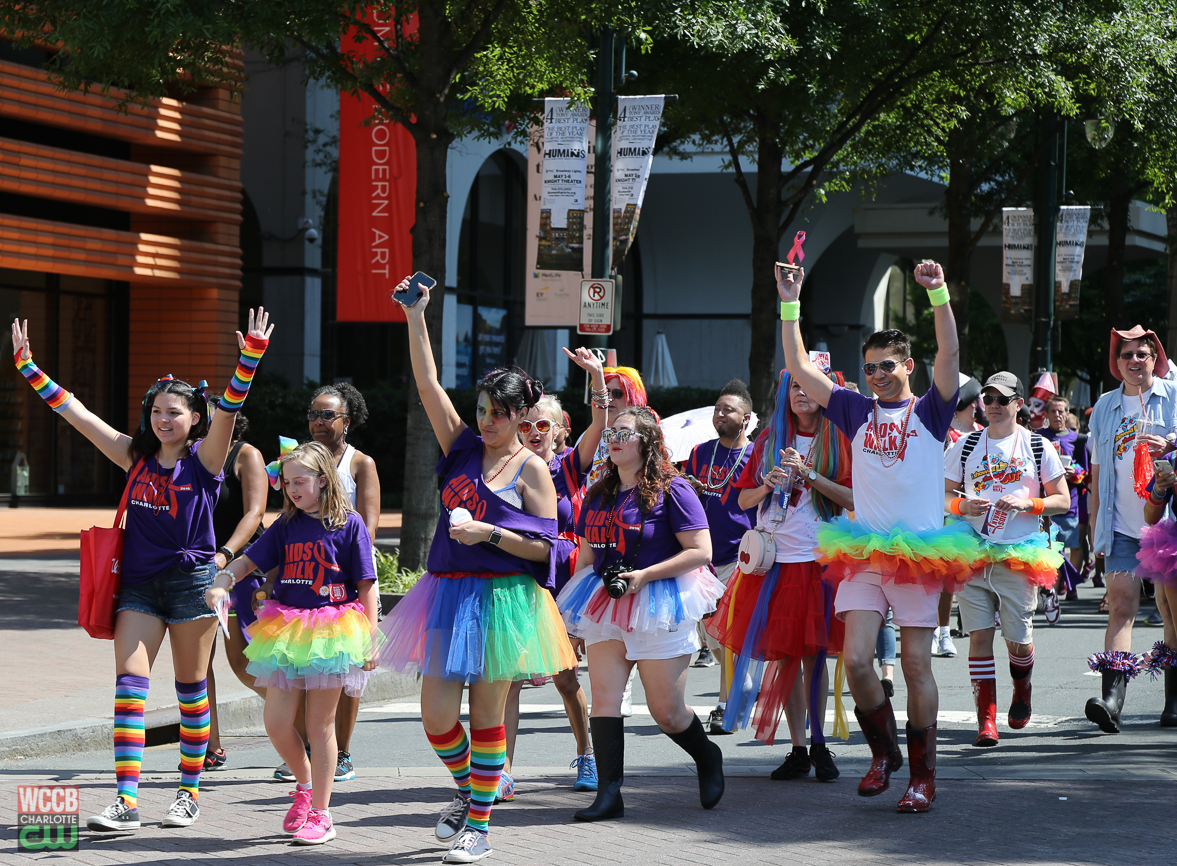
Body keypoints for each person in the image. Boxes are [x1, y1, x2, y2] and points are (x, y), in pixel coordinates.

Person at [12, 309, 274, 831]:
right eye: (156, 411)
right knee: (130, 686)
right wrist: (28, 368)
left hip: (194, 586)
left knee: (190, 691)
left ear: (193, 418)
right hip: (137, 587)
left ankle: (188, 792)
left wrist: (249, 355)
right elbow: (78, 415)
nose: (163, 419)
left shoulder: (206, 461)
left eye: (174, 412)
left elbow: (230, 406)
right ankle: (126, 800)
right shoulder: (134, 456)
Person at [377, 277, 575, 864]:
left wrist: (489, 532)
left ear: (519, 417)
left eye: (496, 414)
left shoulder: (534, 471)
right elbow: (427, 384)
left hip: (505, 599)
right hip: (446, 593)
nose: (484, 421)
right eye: (482, 411)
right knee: (437, 717)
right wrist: (417, 318)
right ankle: (470, 792)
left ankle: (480, 827)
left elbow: (549, 550)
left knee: (487, 714)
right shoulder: (460, 447)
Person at [778, 261, 975, 813]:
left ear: (907, 366)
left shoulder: (931, 411)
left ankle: (923, 776)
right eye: (868, 367)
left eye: (886, 365)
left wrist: (938, 292)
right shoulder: (852, 409)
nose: (877, 375)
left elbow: (951, 357)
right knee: (859, 661)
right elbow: (796, 363)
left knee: (915, 665)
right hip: (862, 550)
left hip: (917, 555)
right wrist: (790, 300)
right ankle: (884, 753)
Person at [205, 441, 379, 845]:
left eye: (300, 482)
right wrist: (224, 580)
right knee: (277, 722)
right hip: (287, 628)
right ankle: (304, 786)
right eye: (287, 483)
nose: (293, 490)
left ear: (323, 480)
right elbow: (250, 559)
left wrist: (370, 640)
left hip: (333, 631)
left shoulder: (349, 524)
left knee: (319, 726)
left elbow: (367, 586)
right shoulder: (285, 524)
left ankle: (322, 813)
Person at [557, 406, 726, 822]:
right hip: (603, 604)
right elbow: (586, 558)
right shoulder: (597, 492)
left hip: (661, 601)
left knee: (666, 711)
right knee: (605, 700)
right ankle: (609, 794)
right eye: (611, 432)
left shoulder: (675, 489)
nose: (614, 438)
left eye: (624, 433)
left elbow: (701, 552)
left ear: (648, 442)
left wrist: (644, 575)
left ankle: (707, 756)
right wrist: (572, 621)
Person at [708, 365, 852, 782]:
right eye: (793, 388)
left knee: (814, 659)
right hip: (772, 564)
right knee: (786, 657)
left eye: (809, 388)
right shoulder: (770, 440)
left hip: (817, 562)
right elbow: (742, 500)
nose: (801, 395)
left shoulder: (839, 439)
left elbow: (851, 496)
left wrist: (807, 474)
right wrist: (769, 484)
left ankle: (822, 744)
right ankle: (799, 748)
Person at [499, 350, 608, 800]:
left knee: (566, 677)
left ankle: (586, 752)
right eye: (526, 425)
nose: (534, 433)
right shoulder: (506, 468)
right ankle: (501, 768)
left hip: (563, 578)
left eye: (544, 425)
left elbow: (600, 424)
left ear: (561, 429)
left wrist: (598, 377)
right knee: (506, 677)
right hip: (516, 576)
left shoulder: (568, 467)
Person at [944, 372, 1069, 747]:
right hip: (972, 550)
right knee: (979, 634)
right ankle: (986, 721)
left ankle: (1022, 687)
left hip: (1020, 553)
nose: (994, 405)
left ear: (1018, 404)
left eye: (1002, 399)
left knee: (1018, 640)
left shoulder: (1037, 446)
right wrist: (961, 504)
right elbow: (941, 496)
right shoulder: (964, 447)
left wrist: (1027, 503)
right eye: (988, 398)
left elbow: (1061, 500)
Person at [1086, 326, 1177, 733]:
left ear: (1155, 357)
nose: (1135, 361)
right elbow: (1097, 471)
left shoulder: (1172, 396)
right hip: (1120, 525)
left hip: (1168, 524)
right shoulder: (1105, 406)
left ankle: (1173, 700)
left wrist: (1171, 444)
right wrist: (1094, 526)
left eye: (1143, 354)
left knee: (1172, 615)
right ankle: (1112, 701)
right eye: (1127, 355)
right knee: (1121, 607)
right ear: (1116, 362)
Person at [296, 383, 382, 784]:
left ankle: (341, 752)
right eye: (314, 413)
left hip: (349, 580)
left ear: (348, 420)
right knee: (303, 667)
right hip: (304, 581)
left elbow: (369, 523)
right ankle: (306, 749)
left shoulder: (360, 462)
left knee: (348, 675)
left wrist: (349, 578)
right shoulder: (300, 458)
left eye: (327, 414)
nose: (318, 421)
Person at [686, 379, 757, 734]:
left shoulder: (756, 454)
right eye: (717, 408)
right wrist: (691, 491)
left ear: (746, 418)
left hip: (741, 555)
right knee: (710, 634)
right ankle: (739, 683)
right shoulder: (700, 453)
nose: (720, 414)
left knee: (728, 631)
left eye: (728, 410)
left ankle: (725, 704)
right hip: (702, 557)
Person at [203, 410, 268, 771]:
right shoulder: (190, 455)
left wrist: (226, 555)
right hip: (199, 570)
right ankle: (208, 745)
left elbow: (255, 514)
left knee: (243, 663)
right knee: (197, 664)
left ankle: (302, 723)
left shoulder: (245, 454)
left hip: (241, 568)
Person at [933, 375, 982, 658]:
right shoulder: (939, 432)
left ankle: (944, 632)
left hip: (959, 516)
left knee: (949, 579)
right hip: (931, 511)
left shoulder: (980, 434)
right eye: (970, 403)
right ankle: (928, 630)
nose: (977, 407)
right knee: (929, 577)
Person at [1133, 451, 1177, 726]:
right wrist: (1160, 490)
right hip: (1173, 544)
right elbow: (1151, 516)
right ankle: (1172, 702)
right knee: (1171, 622)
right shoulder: (1171, 458)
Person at [1041, 394, 1088, 603]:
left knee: (1074, 546)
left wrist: (1074, 472)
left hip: (1070, 501)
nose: (1057, 415)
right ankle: (1051, 585)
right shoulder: (1038, 437)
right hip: (1045, 502)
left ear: (1067, 414)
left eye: (1061, 411)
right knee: (1050, 547)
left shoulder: (1077, 439)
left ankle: (1071, 585)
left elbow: (1085, 470)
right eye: (1053, 411)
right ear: (1046, 414)